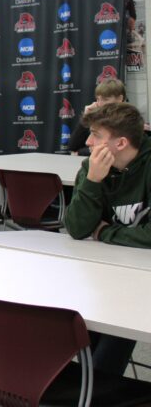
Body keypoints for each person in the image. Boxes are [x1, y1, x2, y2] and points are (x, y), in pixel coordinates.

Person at [64, 102, 150, 374]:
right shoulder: (93, 167)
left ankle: (95, 389)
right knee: (87, 341)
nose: (87, 142)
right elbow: (77, 228)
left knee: (98, 368)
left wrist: (104, 231)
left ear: (121, 142)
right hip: (107, 273)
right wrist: (92, 181)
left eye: (96, 136)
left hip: (143, 283)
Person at [68, 79, 126, 156]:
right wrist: (86, 116)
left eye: (105, 99)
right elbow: (73, 146)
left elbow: (111, 149)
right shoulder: (98, 117)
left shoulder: (127, 119)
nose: (99, 104)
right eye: (98, 99)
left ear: (119, 99)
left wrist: (80, 152)